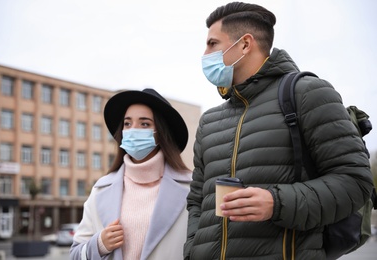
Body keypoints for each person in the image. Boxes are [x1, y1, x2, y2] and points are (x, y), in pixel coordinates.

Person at [184, 2, 374, 260]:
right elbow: (197, 201)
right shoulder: (210, 121)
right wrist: (193, 249)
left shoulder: (307, 93)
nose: (205, 53)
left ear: (244, 44)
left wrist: (276, 203)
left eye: (212, 44)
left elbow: (355, 182)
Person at [70, 88, 192, 260]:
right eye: (127, 123)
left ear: (161, 133)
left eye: (144, 124)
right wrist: (99, 245)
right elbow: (74, 254)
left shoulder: (192, 188)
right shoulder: (101, 189)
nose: (133, 129)